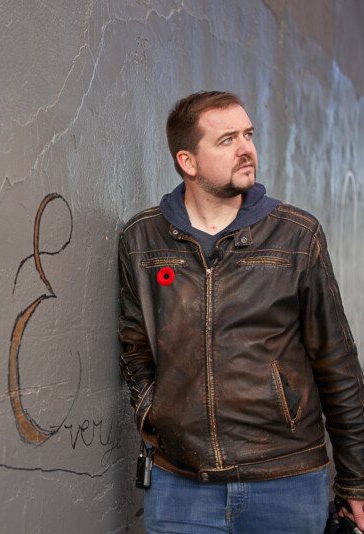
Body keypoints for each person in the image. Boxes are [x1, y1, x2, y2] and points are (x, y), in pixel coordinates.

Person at [117, 91, 364, 533]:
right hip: (180, 485)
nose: (246, 148)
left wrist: (356, 481)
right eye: (227, 139)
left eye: (248, 134)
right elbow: (135, 347)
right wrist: (154, 415)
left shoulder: (296, 235)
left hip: (286, 481)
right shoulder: (143, 240)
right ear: (188, 162)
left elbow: (338, 364)